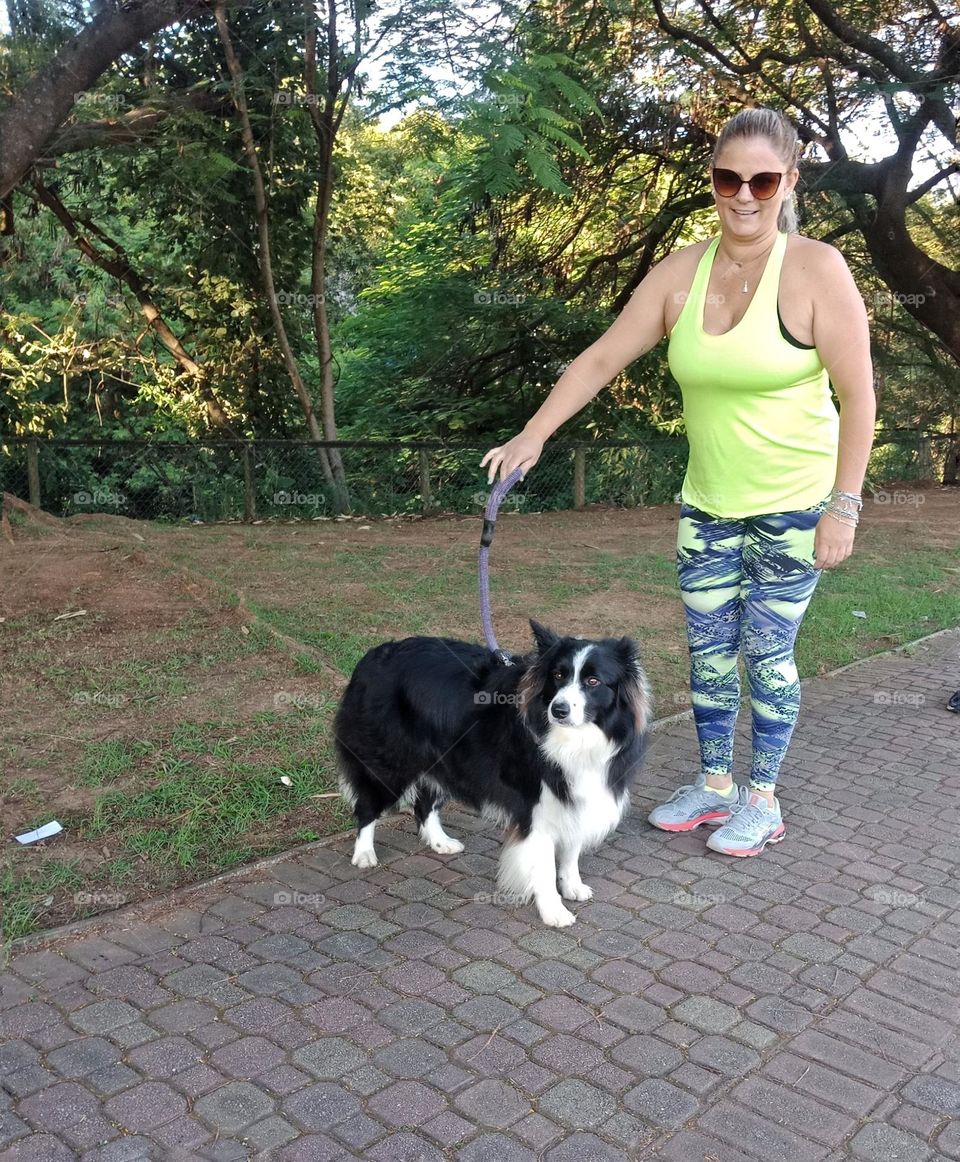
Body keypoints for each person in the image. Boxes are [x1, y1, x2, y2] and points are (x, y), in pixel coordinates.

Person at [481, 107, 876, 858]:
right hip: (709, 506)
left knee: (768, 656)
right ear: (713, 180)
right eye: (730, 177)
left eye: (764, 179)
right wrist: (534, 432)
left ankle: (762, 798)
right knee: (710, 658)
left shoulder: (816, 270)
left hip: (795, 507)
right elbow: (600, 359)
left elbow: (860, 395)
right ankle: (714, 786)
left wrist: (844, 506)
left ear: (789, 181)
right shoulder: (681, 274)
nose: (746, 195)